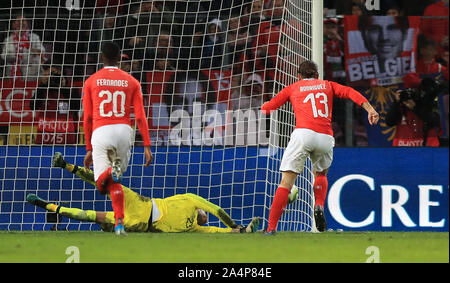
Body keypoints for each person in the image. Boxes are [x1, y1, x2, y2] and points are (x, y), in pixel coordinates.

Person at [260, 60, 379, 234]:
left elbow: (269, 108)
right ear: (317, 76)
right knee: (321, 173)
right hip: (325, 136)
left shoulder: (293, 87)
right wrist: (370, 109)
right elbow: (350, 92)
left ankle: (271, 228)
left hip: (303, 135)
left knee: (286, 182)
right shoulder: (327, 85)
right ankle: (319, 205)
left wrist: (263, 107)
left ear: (299, 76)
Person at [26, 152, 261, 234]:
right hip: (141, 201)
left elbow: (219, 229)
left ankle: (46, 206)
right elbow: (218, 211)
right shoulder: (192, 199)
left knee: (89, 215)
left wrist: (238, 229)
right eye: (204, 214)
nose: (205, 217)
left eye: (204, 217)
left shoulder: (196, 228)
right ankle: (67, 165)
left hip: (140, 221)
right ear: (201, 211)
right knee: (107, 183)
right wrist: (235, 224)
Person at [82, 41, 153, 235]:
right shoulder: (132, 81)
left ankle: (109, 173)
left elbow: (87, 118)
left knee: (101, 185)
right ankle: (119, 223)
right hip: (124, 130)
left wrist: (89, 148)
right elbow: (140, 116)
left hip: (101, 130)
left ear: (102, 57)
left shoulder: (91, 81)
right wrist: (146, 144)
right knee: (115, 183)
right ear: (119, 58)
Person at [1, 14, 45, 81]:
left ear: (27, 23)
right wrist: (16, 57)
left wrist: (31, 49)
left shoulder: (34, 37)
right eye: (18, 21)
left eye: (23, 21)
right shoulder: (8, 39)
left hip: (32, 75)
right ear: (13, 24)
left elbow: (42, 51)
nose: (21, 23)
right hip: (12, 74)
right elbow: (3, 55)